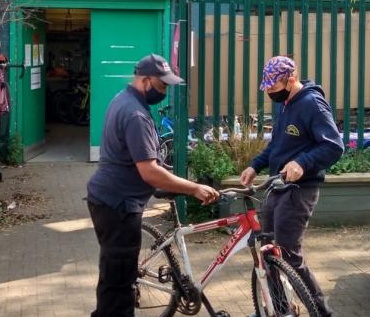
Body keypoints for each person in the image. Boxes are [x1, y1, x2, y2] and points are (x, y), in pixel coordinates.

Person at [86, 53, 219, 317]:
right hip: (118, 206)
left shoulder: (122, 99)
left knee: (113, 276)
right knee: (119, 286)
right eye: (161, 85)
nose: (165, 91)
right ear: (145, 80)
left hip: (109, 199)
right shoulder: (135, 114)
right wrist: (193, 188)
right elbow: (149, 172)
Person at [240, 56, 344, 316]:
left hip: (300, 190)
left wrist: (303, 163)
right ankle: (279, 307)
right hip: (277, 186)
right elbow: (277, 145)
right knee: (266, 249)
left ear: (291, 78)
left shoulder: (312, 104)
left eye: (273, 88)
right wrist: (255, 165)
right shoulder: (285, 104)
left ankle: (321, 311)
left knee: (288, 254)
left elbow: (333, 146)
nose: (270, 94)